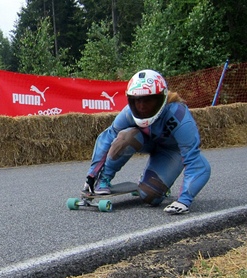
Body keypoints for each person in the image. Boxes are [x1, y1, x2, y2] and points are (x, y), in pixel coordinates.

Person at [84, 69, 210, 215]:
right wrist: (91, 175)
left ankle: (156, 183)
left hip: (171, 152)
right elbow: (108, 136)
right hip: (146, 141)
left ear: (160, 98)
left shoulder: (179, 116)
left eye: (147, 100)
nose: (141, 106)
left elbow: (192, 159)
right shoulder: (128, 112)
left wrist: (184, 200)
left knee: (150, 197)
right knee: (125, 136)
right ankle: (104, 179)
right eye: (137, 101)